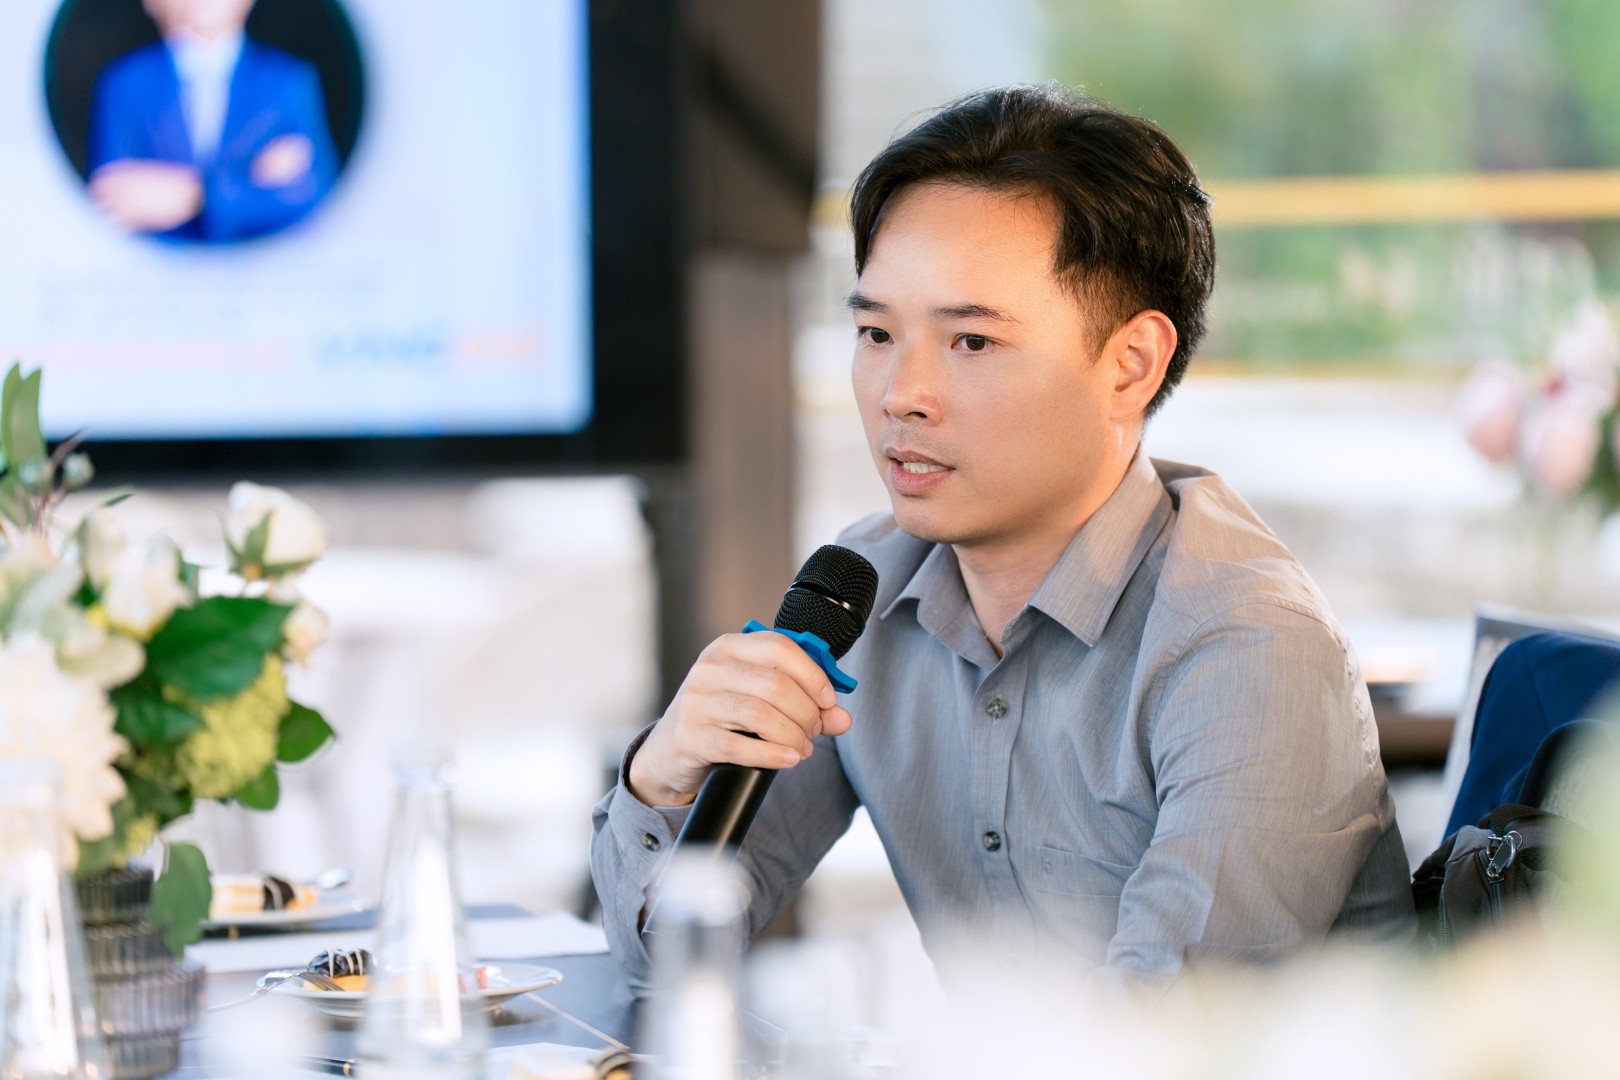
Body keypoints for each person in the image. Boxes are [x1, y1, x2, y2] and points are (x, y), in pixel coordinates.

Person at [592, 83, 1415, 996]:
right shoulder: (862, 594)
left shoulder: (1248, 648)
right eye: (875, 331)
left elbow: (1160, 1041)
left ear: (1130, 365)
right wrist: (662, 778)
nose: (900, 394)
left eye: (971, 343)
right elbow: (658, 969)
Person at [85, 0, 338, 243]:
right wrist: (248, 183)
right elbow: (114, 199)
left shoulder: (288, 82)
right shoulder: (124, 83)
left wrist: (198, 196)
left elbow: (316, 197)